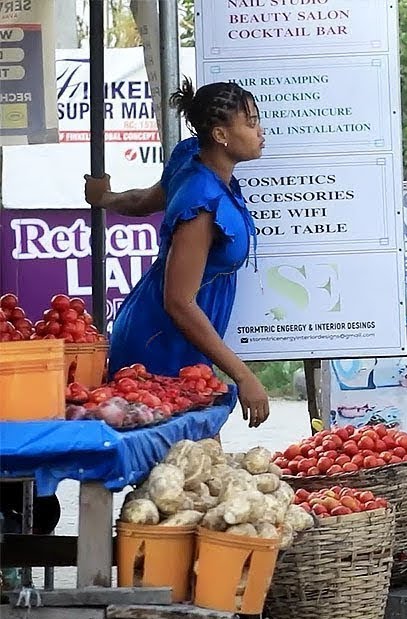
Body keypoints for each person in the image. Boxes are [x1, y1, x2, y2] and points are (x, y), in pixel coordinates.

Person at [84, 79, 270, 428]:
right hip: (161, 343)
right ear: (220, 135)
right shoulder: (202, 205)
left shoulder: (191, 157)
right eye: (251, 122)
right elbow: (178, 302)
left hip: (183, 341)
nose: (260, 131)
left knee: (197, 467)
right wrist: (243, 376)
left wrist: (106, 199)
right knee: (177, 463)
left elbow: (145, 200)